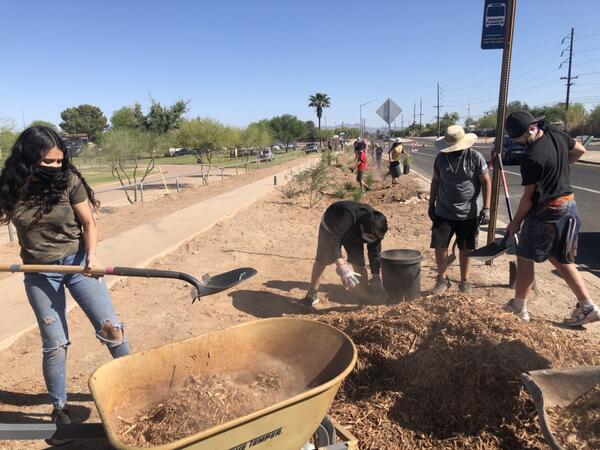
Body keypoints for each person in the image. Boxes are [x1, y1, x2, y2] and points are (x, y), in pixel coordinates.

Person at [0, 126, 131, 430]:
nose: (56, 167)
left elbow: (89, 223)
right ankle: (59, 409)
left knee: (111, 329)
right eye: (48, 162)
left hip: (77, 263)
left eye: (59, 161)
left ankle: (138, 384)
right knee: (55, 343)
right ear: (28, 159)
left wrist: (92, 256)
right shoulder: (10, 186)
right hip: (38, 272)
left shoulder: (68, 181)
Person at [502, 110, 600, 326]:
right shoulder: (556, 133)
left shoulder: (531, 157)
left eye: (518, 137)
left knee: (525, 256)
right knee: (559, 257)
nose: (518, 142)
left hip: (546, 210)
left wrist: (515, 223)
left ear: (530, 129)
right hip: (568, 205)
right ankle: (588, 307)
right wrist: (562, 165)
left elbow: (528, 198)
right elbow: (580, 150)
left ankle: (520, 307)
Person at [429, 125, 491, 293]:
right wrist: (431, 204)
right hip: (443, 211)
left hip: (468, 213)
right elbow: (435, 181)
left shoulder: (475, 157)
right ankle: (442, 279)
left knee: (466, 249)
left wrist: (486, 208)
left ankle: (465, 281)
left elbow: (486, 182)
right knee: (440, 247)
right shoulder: (441, 158)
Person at [302, 200, 388, 307]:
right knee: (322, 259)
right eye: (370, 237)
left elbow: (375, 255)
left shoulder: (375, 229)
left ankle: (362, 293)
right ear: (362, 228)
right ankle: (312, 294)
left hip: (354, 232)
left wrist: (376, 277)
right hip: (331, 225)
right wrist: (342, 266)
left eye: (375, 239)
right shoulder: (347, 216)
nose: (372, 240)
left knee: (359, 262)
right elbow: (334, 242)